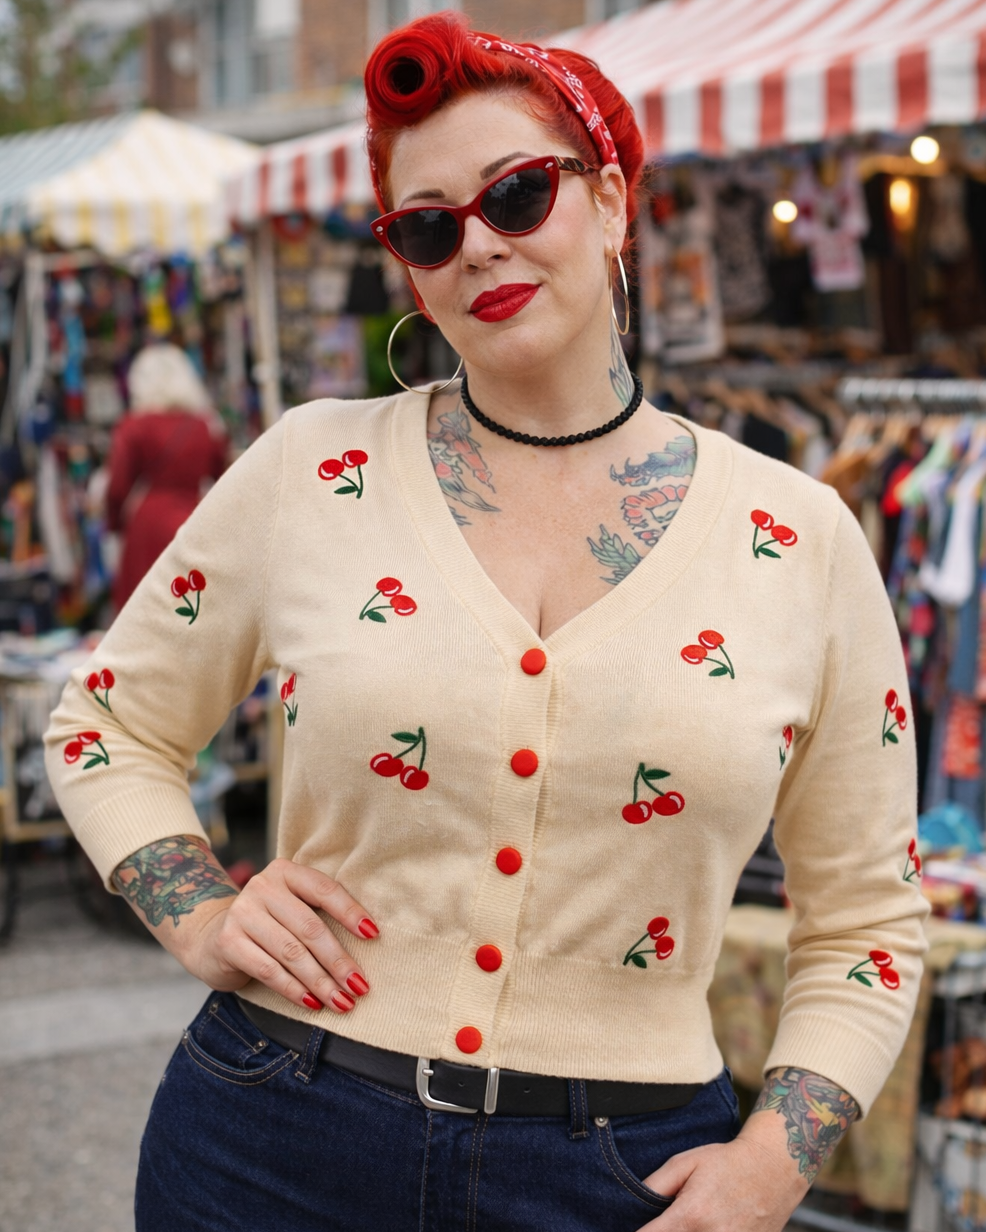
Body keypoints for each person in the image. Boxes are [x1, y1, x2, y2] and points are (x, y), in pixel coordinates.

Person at [45, 14, 928, 1232]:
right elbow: (105, 724)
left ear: (611, 199)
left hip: (615, 1177)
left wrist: (770, 1162)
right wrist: (198, 907)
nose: (477, 246)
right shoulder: (310, 469)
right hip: (268, 1142)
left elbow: (869, 919)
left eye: (517, 194)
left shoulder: (802, 539)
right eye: (427, 224)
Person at [105, 343, 227, 613]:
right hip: (194, 520)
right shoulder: (207, 425)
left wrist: (113, 525)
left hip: (146, 527)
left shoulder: (134, 426)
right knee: (192, 610)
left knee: (143, 615)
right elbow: (225, 481)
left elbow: (116, 488)